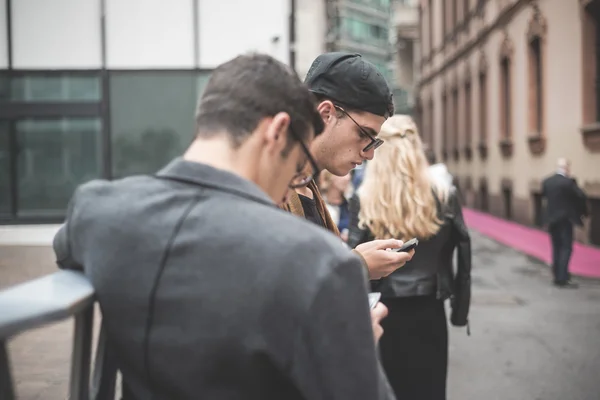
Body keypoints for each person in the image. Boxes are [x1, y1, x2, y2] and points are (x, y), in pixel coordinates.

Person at [52, 54, 395, 400]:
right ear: (276, 132)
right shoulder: (319, 261)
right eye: (296, 162)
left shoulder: (97, 211)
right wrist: (352, 340)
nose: (295, 180)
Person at [348, 115, 471, 400]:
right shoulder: (443, 194)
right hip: (430, 306)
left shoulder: (365, 197)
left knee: (389, 388)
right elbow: (463, 252)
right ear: (416, 147)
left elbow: (353, 259)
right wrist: (460, 311)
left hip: (382, 310)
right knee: (429, 388)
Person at [281, 52, 413, 279]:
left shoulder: (305, 184)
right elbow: (281, 289)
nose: (370, 153)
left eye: (374, 141)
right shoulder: (272, 187)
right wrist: (357, 266)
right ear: (326, 115)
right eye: (364, 134)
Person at [542, 158, 588, 288]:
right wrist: (583, 213)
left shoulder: (547, 181)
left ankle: (556, 275)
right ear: (566, 168)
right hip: (565, 220)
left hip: (551, 220)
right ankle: (562, 278)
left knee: (556, 247)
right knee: (566, 247)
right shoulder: (568, 182)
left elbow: (545, 197)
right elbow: (581, 196)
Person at [319, 170, 353, 241]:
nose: (348, 178)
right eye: (344, 174)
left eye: (349, 174)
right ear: (330, 177)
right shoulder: (319, 204)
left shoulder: (351, 203)